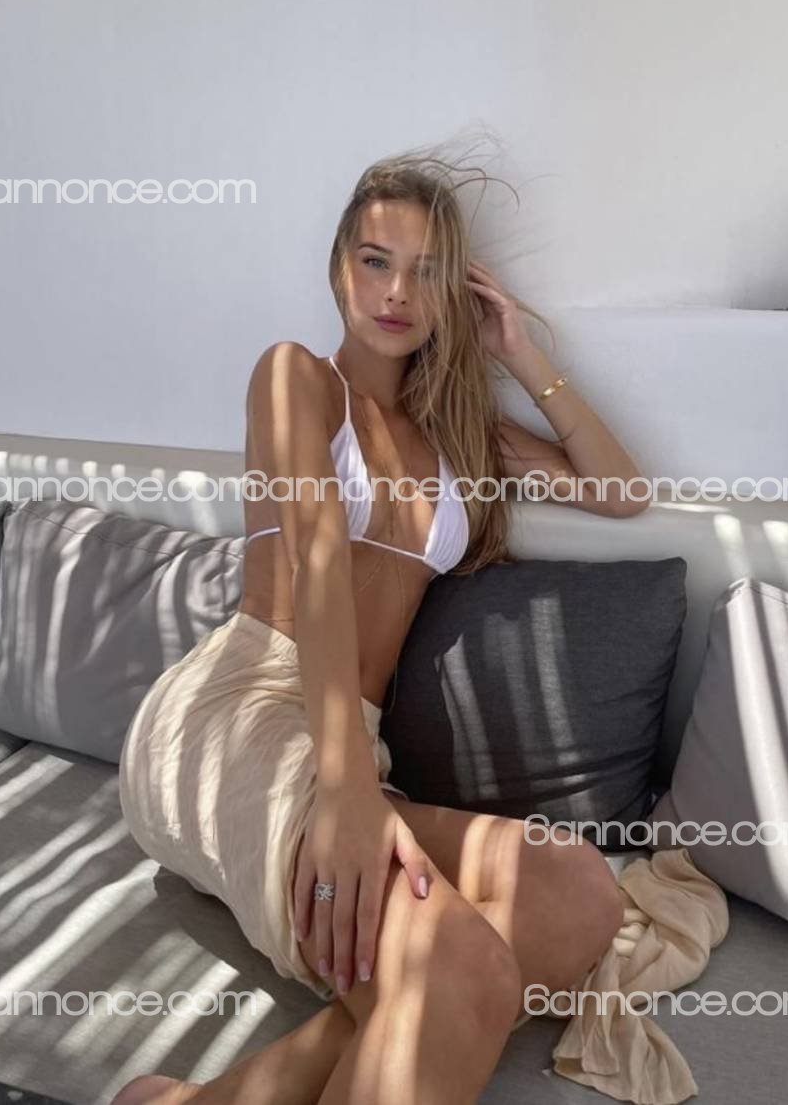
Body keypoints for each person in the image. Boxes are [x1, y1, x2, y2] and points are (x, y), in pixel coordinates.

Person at [112, 143, 648, 1105]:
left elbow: (620, 491)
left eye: (427, 271)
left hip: (344, 735)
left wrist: (521, 354)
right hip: (242, 714)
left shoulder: (462, 436)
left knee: (580, 895)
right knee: (461, 966)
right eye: (375, 260)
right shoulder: (295, 378)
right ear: (337, 271)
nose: (397, 290)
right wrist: (347, 791)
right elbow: (318, 566)